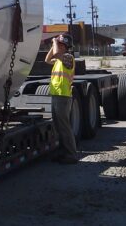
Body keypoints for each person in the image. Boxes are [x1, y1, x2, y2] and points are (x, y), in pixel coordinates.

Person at [45, 33, 78, 164]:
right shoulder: (59, 60)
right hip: (57, 95)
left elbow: (57, 54)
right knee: (59, 127)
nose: (56, 46)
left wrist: (55, 42)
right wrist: (54, 45)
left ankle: (71, 155)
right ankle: (64, 153)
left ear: (64, 46)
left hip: (63, 97)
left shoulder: (68, 58)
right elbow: (47, 59)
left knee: (64, 127)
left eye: (59, 44)